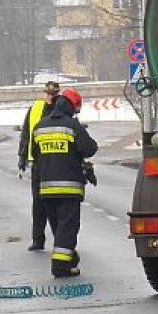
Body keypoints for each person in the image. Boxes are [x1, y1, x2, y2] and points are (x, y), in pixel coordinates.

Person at [30, 88, 97, 277]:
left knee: (58, 227)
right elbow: (90, 148)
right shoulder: (72, 126)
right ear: (71, 107)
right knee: (68, 227)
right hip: (69, 188)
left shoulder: (40, 127)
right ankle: (60, 266)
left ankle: (69, 260)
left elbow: (35, 155)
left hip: (46, 188)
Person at [17, 80, 63, 250]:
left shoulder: (63, 109)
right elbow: (26, 134)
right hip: (38, 163)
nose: (50, 97)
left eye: (53, 94)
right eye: (48, 93)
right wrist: (22, 156)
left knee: (56, 204)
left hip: (58, 163)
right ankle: (38, 239)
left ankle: (60, 238)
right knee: (38, 204)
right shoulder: (35, 109)